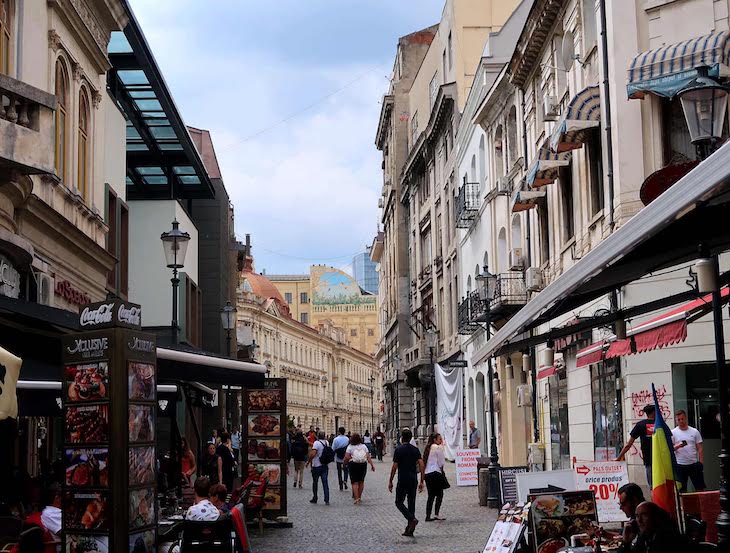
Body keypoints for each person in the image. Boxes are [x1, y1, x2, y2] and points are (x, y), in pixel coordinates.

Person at [389, 428, 425, 537]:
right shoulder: (415, 449)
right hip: (413, 478)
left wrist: (390, 481)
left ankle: (411, 519)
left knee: (399, 502)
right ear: (410, 438)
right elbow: (421, 464)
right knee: (411, 503)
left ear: (402, 438)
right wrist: (422, 480)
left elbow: (394, 467)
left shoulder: (399, 450)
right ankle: (410, 529)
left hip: (403, 479)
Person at [616, 405, 655, 488]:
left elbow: (628, 445)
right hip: (662, 461)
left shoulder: (640, 425)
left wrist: (619, 457)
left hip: (649, 459)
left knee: (652, 486)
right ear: (655, 412)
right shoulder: (661, 424)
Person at [671, 410, 705, 492]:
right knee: (682, 490)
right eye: (678, 420)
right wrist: (678, 446)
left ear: (686, 418)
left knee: (700, 488)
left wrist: (701, 463)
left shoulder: (694, 431)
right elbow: (670, 449)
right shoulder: (673, 433)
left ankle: (700, 504)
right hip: (680, 465)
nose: (681, 421)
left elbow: (700, 448)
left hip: (694, 464)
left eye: (682, 419)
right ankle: (684, 505)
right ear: (676, 420)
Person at [344, 432, 375, 505]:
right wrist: (372, 465)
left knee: (354, 482)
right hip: (363, 465)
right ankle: (360, 497)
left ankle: (356, 498)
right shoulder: (364, 446)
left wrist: (344, 464)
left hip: (353, 465)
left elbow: (346, 457)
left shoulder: (350, 447)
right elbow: (368, 456)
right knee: (361, 481)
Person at [424, 433, 447, 521]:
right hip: (435, 472)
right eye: (439, 439)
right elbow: (441, 462)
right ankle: (436, 514)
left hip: (427, 473)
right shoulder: (438, 448)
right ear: (435, 440)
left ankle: (428, 515)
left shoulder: (428, 447)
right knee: (439, 494)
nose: (441, 441)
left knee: (431, 496)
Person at [617, 483, 645, 550]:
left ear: (635, 501)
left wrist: (625, 543)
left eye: (623, 504)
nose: (620, 508)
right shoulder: (634, 518)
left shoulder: (646, 522)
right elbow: (621, 535)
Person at [306, 431, 330, 505]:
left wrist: (308, 462)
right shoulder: (326, 442)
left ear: (318, 436)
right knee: (325, 482)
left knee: (315, 482)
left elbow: (313, 454)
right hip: (325, 465)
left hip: (316, 465)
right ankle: (327, 499)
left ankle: (315, 498)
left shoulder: (317, 443)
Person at [332, 427, 350, 491]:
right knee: (346, 470)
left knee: (339, 472)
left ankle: (340, 485)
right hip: (345, 458)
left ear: (339, 432)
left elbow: (333, 449)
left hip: (338, 458)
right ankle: (345, 480)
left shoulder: (336, 439)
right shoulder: (347, 439)